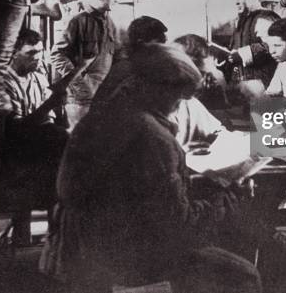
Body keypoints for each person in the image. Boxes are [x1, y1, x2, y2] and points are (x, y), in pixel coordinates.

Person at [41, 45, 261, 293]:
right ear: (159, 91)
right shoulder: (151, 135)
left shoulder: (99, 117)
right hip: (124, 259)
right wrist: (229, 196)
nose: (178, 109)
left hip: (72, 250)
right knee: (242, 275)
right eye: (178, 99)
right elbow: (178, 224)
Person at [0, 29, 69, 244]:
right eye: (30, 53)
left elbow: (51, 118)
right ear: (14, 53)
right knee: (23, 203)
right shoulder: (4, 83)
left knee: (60, 179)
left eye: (39, 52)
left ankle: (55, 241)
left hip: (41, 145)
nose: (37, 57)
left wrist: (60, 109)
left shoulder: (38, 76)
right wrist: (50, 104)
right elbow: (16, 130)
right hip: (16, 150)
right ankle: (22, 244)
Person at [50, 0, 123, 129]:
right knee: (80, 141)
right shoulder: (77, 21)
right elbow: (56, 55)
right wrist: (78, 83)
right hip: (81, 98)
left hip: (103, 96)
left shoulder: (111, 23)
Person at [226, 0, 279, 91]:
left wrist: (242, 54)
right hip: (244, 84)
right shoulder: (241, 22)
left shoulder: (263, 17)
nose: (236, 2)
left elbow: (273, 46)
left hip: (262, 85)